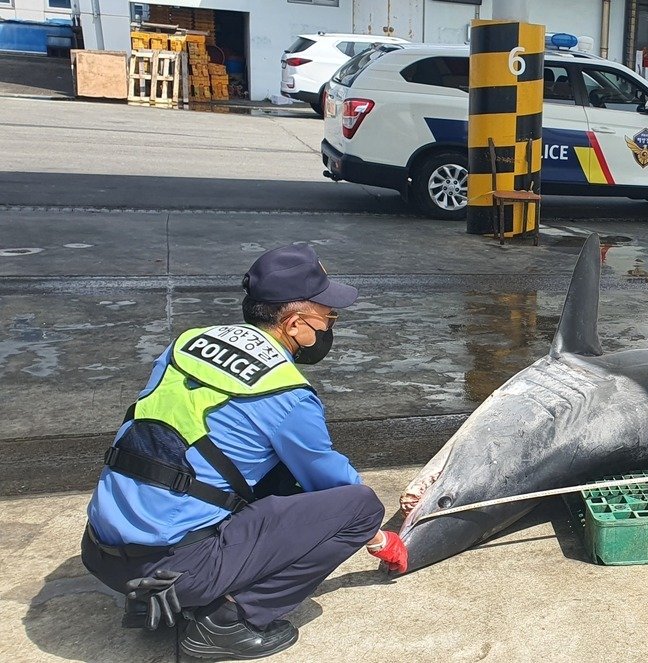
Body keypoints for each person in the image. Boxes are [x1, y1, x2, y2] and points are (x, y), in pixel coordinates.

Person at [80, 244, 408, 660]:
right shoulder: (286, 392)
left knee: (236, 466)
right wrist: (378, 538)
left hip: (100, 550)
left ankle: (156, 598)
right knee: (358, 506)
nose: (329, 327)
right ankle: (228, 622)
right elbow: (329, 481)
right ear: (294, 324)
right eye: (328, 317)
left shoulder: (188, 343)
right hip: (173, 567)